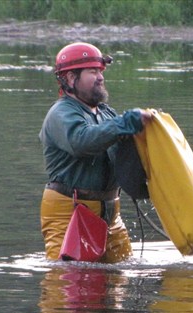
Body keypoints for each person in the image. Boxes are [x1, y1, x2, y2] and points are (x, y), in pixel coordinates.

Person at [39, 42, 153, 262]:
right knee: (69, 284)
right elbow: (82, 141)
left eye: (100, 71)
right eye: (93, 71)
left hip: (110, 214)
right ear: (71, 79)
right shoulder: (60, 114)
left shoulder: (105, 113)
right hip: (69, 213)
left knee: (119, 281)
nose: (100, 77)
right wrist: (124, 123)